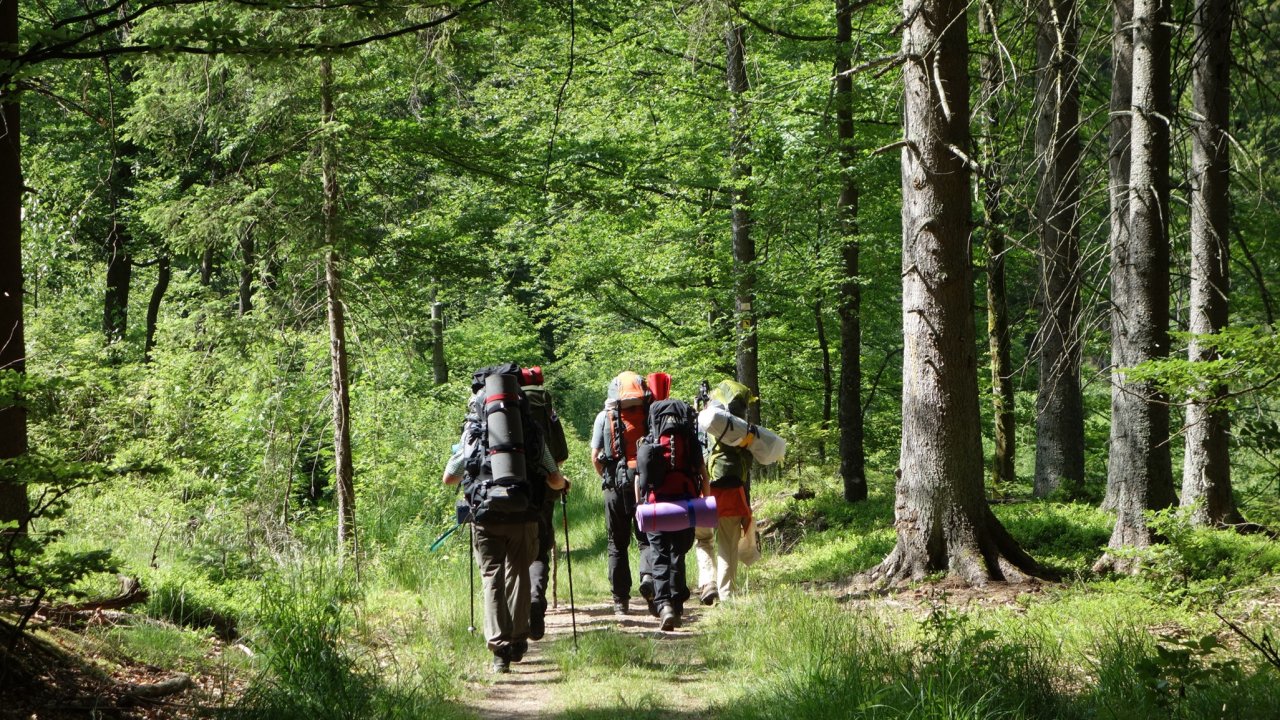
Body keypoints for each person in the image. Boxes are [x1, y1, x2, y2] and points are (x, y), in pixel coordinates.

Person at [444, 370, 567, 674]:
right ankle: (517, 639)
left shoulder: (474, 429)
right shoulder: (530, 428)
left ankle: (499, 650)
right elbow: (553, 477)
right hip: (523, 512)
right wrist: (563, 484)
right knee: (519, 573)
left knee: (492, 577)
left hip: (486, 515)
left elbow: (450, 478)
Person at [636, 392, 709, 631]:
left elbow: (640, 478)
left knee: (659, 554)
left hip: (657, 504)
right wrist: (705, 501)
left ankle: (664, 604)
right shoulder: (690, 440)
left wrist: (640, 506)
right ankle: (677, 605)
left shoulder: (648, 440)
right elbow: (702, 472)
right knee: (678, 553)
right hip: (685, 505)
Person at [590, 371, 654, 615]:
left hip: (614, 487)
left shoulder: (603, 418)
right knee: (646, 539)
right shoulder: (649, 414)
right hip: (645, 487)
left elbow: (595, 457)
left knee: (617, 544)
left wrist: (606, 477)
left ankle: (620, 601)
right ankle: (648, 577)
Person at [694, 379, 755, 605]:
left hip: (706, 493)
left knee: (703, 540)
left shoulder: (705, 423)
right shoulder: (741, 430)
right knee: (728, 546)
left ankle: (708, 582)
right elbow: (750, 457)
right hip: (732, 493)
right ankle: (727, 596)